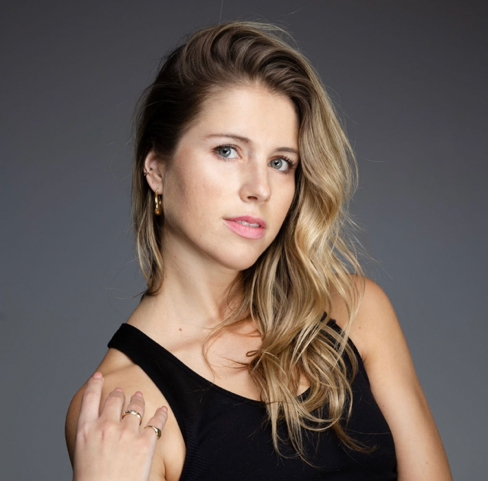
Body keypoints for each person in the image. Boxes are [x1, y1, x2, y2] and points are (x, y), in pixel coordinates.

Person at [65, 21, 453, 481]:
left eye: (280, 162)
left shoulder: (354, 312)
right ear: (157, 169)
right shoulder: (126, 406)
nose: (260, 188)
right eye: (228, 151)